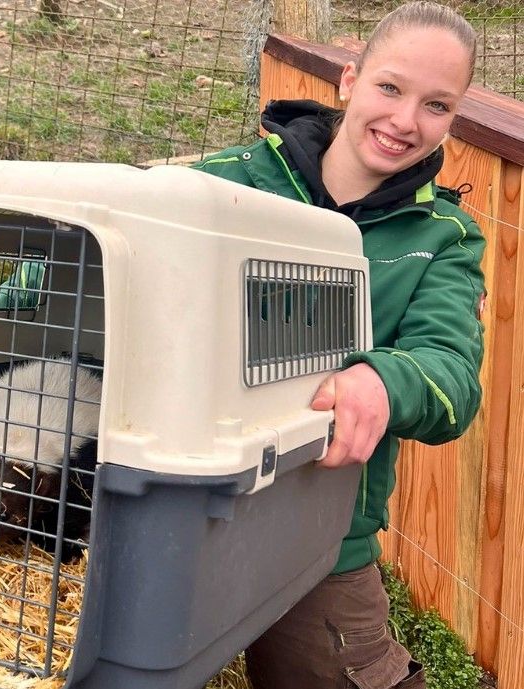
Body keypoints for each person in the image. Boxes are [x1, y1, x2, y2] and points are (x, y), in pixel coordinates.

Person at [192, 2, 485, 688]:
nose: (406, 120)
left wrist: (382, 380)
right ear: (350, 81)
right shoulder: (227, 182)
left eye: (436, 105)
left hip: (323, 530)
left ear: (454, 117)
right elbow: (105, 246)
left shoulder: (443, 236)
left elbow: (452, 376)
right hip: (189, 500)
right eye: (390, 87)